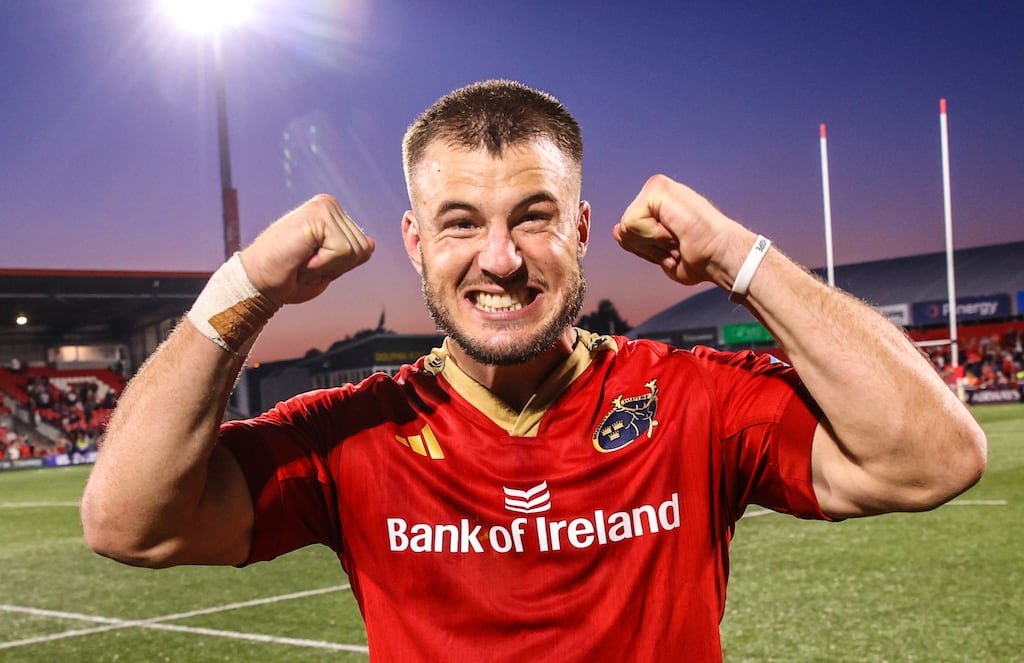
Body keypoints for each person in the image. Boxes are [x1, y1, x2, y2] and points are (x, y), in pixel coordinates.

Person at [80, 80, 987, 661]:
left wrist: (740, 258)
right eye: (462, 222)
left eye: (535, 217)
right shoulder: (353, 433)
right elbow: (128, 521)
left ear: (584, 229)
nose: (502, 259)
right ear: (416, 242)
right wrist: (243, 289)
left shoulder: (691, 399)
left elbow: (934, 459)